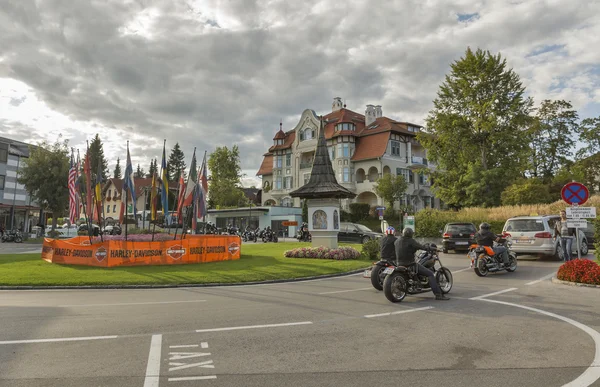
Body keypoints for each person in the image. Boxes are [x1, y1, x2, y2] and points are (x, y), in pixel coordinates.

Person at [394, 227, 449, 301]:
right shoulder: (411, 241)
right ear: (410, 234)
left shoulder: (397, 241)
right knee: (430, 274)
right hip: (410, 264)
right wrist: (431, 248)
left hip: (399, 264)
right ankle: (438, 295)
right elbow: (421, 247)